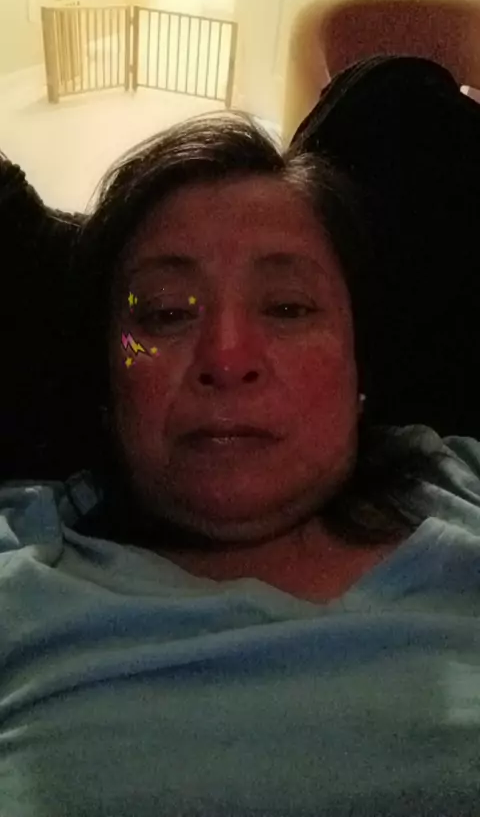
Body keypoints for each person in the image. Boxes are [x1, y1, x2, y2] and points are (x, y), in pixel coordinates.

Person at [2, 112, 480, 817]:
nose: (226, 359)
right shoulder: (20, 564)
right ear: (107, 388)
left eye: (287, 307)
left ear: (360, 373)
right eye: (165, 314)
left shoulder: (462, 486)